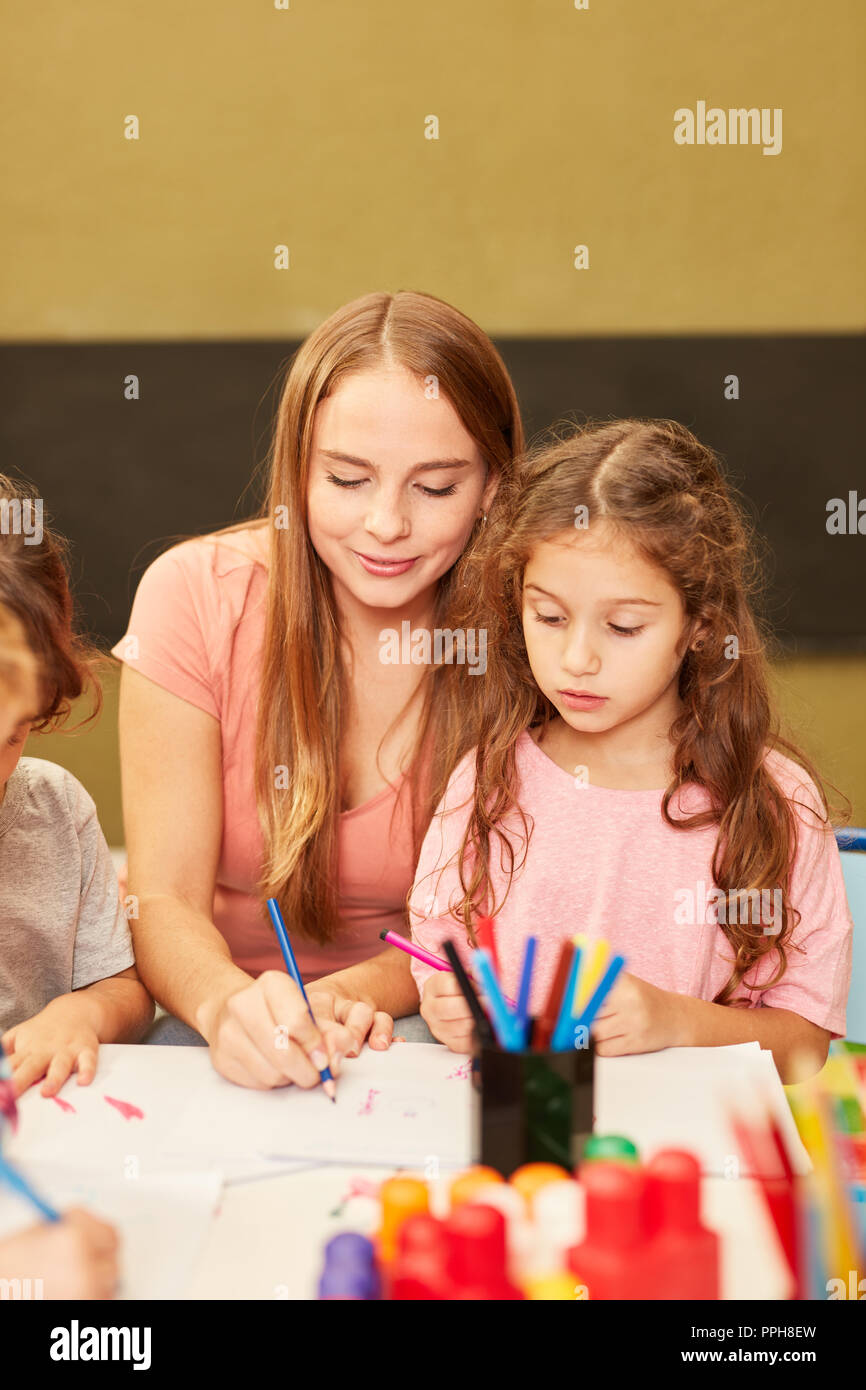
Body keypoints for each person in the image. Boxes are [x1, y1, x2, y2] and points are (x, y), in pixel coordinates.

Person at [113, 290, 524, 1088]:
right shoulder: (194, 594)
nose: (385, 525)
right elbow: (160, 902)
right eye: (345, 479)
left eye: (436, 488)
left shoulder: (537, 634)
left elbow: (507, 921)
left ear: (495, 487)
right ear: (296, 471)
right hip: (212, 1010)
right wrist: (232, 1007)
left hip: (433, 1012)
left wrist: (356, 992)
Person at [409, 419, 852, 1083]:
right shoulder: (486, 778)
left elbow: (803, 1047)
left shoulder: (773, 803)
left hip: (686, 1157)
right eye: (548, 616)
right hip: (519, 1149)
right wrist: (445, 1003)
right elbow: (442, 968)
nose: (577, 658)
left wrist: (675, 1021)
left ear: (700, 624)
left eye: (623, 626)